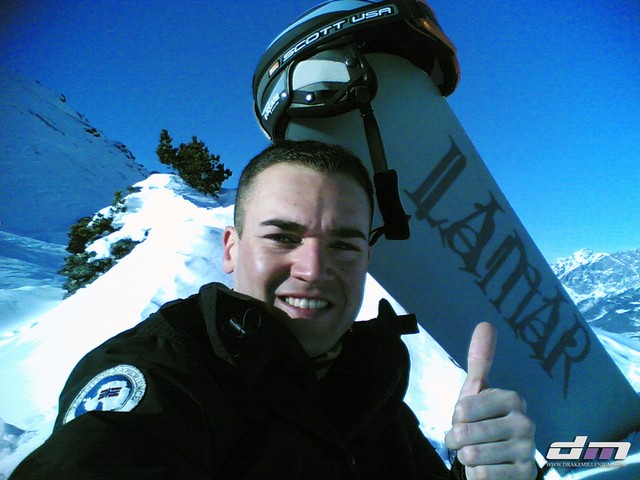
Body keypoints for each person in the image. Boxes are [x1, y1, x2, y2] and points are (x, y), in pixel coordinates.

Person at [11, 140, 540, 479]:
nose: (313, 268)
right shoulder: (166, 378)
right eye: (283, 237)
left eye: (344, 244)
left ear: (366, 259)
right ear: (231, 249)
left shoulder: (368, 385)